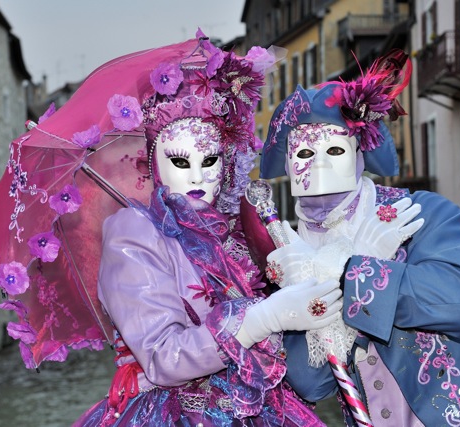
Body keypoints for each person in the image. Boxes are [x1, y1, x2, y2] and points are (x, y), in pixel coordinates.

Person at [258, 50, 460, 426]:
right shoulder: (292, 255)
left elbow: (458, 300)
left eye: (334, 149)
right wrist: (304, 301)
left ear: (360, 153)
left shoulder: (421, 214)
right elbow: (310, 383)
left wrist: (347, 271)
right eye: (303, 152)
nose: (318, 163)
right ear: (286, 165)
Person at [73, 35, 341, 426]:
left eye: (210, 158)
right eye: (181, 162)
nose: (198, 176)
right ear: (154, 163)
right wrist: (262, 318)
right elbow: (163, 358)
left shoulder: (232, 231)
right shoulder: (135, 233)